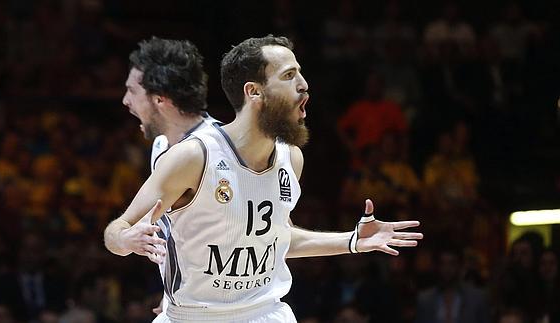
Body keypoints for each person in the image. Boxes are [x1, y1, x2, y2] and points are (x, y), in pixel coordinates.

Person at [106, 35, 422, 322]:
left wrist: (352, 241)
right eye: (288, 75)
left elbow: (276, 238)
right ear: (253, 92)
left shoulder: (291, 158)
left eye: (300, 73)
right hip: (192, 316)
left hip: (266, 313)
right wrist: (125, 240)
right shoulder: (194, 157)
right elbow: (116, 231)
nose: (303, 85)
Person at [103, 36, 217, 321]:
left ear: (160, 100)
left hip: (228, 310)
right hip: (184, 307)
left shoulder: (220, 151)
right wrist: (127, 240)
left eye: (132, 91)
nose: (125, 100)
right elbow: (117, 234)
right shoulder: (161, 146)